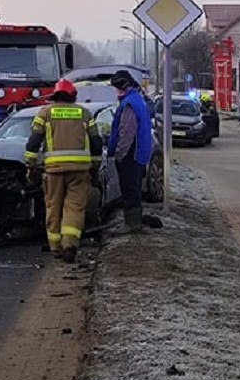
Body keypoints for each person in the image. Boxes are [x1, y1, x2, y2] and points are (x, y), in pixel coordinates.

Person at [24, 80, 103, 263]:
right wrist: (95, 166)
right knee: (74, 208)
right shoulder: (84, 113)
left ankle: (56, 247)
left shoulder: (44, 113)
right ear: (73, 95)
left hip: (53, 171)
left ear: (55, 95)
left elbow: (33, 143)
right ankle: (70, 245)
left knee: (53, 207)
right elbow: (96, 143)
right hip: (80, 170)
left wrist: (31, 165)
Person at [107, 70, 154, 234]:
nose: (116, 92)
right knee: (134, 188)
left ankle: (132, 223)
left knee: (129, 188)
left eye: (117, 88)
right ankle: (135, 221)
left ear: (124, 86)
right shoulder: (137, 100)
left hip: (131, 154)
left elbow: (126, 132)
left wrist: (119, 154)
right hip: (138, 152)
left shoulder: (129, 104)